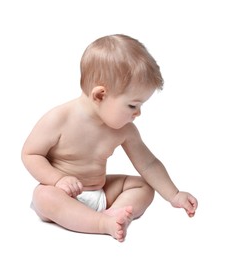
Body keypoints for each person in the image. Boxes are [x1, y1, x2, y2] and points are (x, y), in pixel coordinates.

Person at [21, 34, 198, 242]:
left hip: (101, 192)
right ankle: (100, 223)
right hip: (63, 196)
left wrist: (174, 195)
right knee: (43, 196)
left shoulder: (125, 129)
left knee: (143, 186)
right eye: (133, 105)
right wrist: (58, 180)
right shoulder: (59, 119)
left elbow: (148, 164)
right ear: (100, 95)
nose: (138, 113)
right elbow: (30, 154)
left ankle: (113, 214)